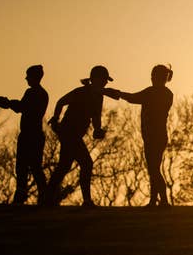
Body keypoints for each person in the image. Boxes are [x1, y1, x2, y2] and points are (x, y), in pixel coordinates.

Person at [104, 64, 174, 208]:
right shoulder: (165, 93)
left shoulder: (155, 93)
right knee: (154, 169)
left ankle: (163, 201)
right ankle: (154, 201)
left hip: (154, 136)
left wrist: (117, 93)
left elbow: (132, 98)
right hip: (156, 136)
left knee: (154, 169)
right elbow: (134, 98)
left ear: (159, 77)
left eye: (154, 76)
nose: (152, 78)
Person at [46, 65, 110, 207]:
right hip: (69, 132)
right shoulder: (80, 92)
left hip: (74, 134)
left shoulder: (99, 97)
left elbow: (96, 116)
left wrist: (97, 129)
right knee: (86, 163)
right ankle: (86, 201)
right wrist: (56, 118)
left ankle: (47, 197)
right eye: (104, 80)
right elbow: (61, 102)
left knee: (64, 166)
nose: (106, 83)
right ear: (96, 79)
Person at [0, 65, 49, 205]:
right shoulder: (41, 93)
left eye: (28, 76)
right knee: (33, 167)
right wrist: (9, 103)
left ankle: (27, 196)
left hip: (30, 134)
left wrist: (7, 102)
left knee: (26, 166)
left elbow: (22, 107)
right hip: (34, 134)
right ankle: (41, 196)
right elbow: (22, 107)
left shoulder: (33, 93)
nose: (26, 78)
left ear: (35, 77)